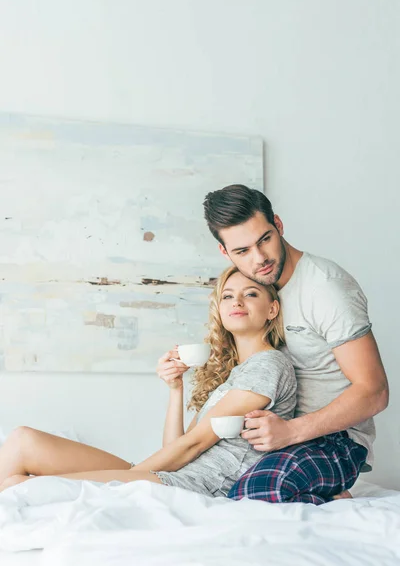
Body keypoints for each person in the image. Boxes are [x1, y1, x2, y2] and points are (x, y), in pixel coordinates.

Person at [0, 266, 296, 498]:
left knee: (18, 486)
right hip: (164, 473)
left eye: (252, 294)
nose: (237, 302)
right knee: (22, 440)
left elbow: (193, 446)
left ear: (272, 309)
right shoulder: (235, 374)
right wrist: (175, 388)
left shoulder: (269, 364)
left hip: (192, 486)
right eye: (228, 295)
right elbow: (177, 446)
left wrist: (124, 480)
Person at [203, 184, 389, 504]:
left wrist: (291, 432)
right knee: (209, 495)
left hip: (333, 440)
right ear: (225, 252)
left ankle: (331, 501)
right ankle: (326, 500)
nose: (259, 258)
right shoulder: (252, 291)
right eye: (242, 251)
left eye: (265, 239)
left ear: (278, 224)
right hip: (273, 438)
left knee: (254, 496)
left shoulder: (326, 288)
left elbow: (374, 392)